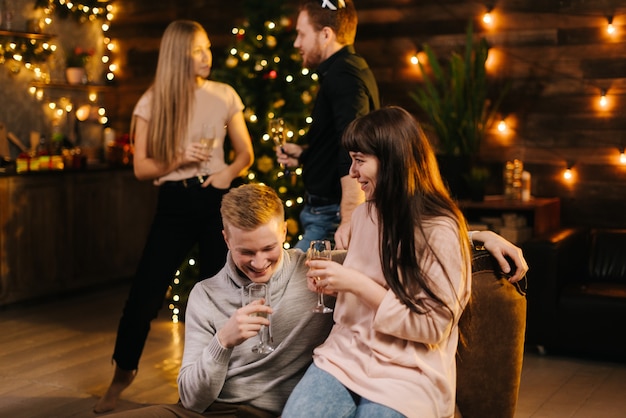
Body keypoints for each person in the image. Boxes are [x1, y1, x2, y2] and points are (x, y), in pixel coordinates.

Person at [102, 183, 527, 418]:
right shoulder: (205, 296)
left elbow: (395, 246)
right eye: (244, 251)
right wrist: (223, 342)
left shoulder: (316, 269)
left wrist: (474, 237)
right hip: (208, 412)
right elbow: (191, 400)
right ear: (225, 239)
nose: (258, 262)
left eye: (268, 248)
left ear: (285, 232)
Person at [94, 20, 254, 414]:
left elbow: (244, 154)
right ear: (178, 56)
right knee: (144, 296)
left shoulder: (223, 95)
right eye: (197, 50)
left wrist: (225, 175)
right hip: (174, 203)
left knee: (220, 294)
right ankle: (120, 378)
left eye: (207, 48)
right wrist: (180, 159)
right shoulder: (152, 100)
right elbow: (141, 168)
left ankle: (217, 385)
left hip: (216, 201)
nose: (207, 56)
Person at [281, 106, 478, 418]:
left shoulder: (441, 231)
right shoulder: (364, 215)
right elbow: (362, 299)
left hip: (410, 370)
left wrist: (355, 283)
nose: (352, 172)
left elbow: (431, 328)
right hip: (345, 356)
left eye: (360, 160)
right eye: (351, 160)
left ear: (393, 161)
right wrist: (338, 288)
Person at [276, 0, 379, 251]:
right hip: (325, 214)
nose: (296, 43)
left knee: (289, 288)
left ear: (325, 34)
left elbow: (353, 150)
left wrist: (348, 222)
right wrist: (305, 154)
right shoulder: (346, 70)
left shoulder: (343, 76)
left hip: (331, 218)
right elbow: (339, 141)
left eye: (301, 34)